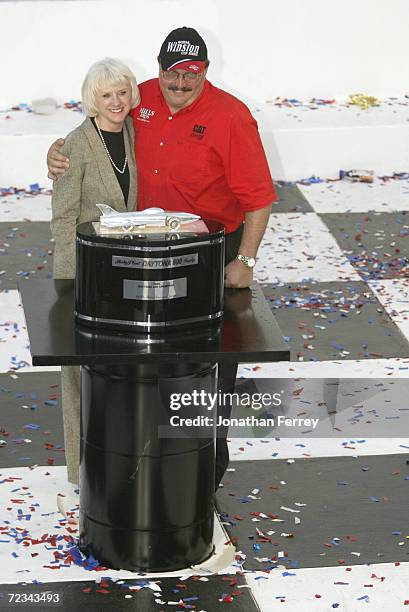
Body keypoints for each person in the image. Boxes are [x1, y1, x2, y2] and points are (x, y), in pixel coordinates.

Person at [47, 27, 276, 487]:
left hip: (208, 254)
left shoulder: (232, 116)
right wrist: (58, 153)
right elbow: (99, 132)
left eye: (191, 74)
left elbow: (259, 199)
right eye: (172, 72)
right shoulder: (140, 99)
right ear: (158, 69)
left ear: (205, 72)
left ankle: (202, 481)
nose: (179, 83)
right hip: (144, 252)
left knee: (208, 370)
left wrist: (244, 262)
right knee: (145, 365)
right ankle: (143, 472)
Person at [51, 58, 140, 488]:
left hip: (124, 273)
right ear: (93, 100)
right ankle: (79, 471)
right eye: (107, 95)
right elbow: (63, 217)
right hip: (83, 272)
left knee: (118, 368)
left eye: (122, 92)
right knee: (76, 372)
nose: (116, 101)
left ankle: (117, 457)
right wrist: (69, 282)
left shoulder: (133, 134)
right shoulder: (75, 145)